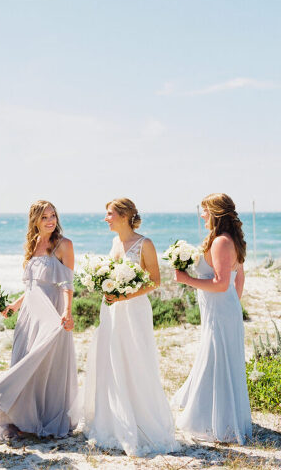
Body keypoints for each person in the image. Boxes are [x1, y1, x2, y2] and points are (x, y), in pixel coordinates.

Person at [82, 198, 179, 456]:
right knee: (111, 362)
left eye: (110, 214)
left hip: (134, 311)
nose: (106, 218)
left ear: (124, 215)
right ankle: (113, 423)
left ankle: (141, 423)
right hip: (111, 311)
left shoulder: (145, 244)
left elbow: (155, 281)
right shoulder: (115, 242)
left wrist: (124, 296)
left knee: (135, 361)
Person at [0, 200, 78, 438]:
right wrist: (14, 306)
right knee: (23, 359)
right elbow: (32, 286)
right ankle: (22, 419)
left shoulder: (64, 245)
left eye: (53, 215)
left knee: (46, 363)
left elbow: (67, 284)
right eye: (44, 217)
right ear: (35, 220)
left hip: (52, 313)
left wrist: (67, 312)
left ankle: (44, 418)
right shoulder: (32, 244)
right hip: (29, 314)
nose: (50, 221)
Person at [172, 193, 252, 443]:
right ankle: (224, 417)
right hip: (224, 311)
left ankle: (212, 421)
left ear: (215, 212)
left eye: (205, 210)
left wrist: (187, 280)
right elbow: (239, 278)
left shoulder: (220, 242)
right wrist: (232, 304)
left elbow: (220, 283)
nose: (202, 215)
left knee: (216, 362)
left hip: (221, 313)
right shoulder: (232, 240)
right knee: (221, 361)